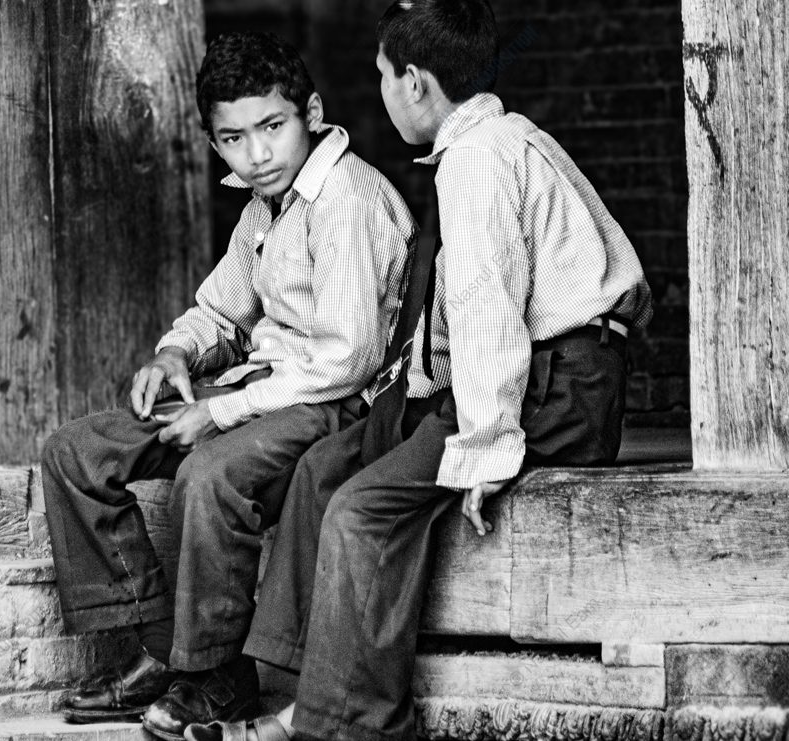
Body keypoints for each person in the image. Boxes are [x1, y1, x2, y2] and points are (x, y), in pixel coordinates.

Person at [184, 2, 654, 741]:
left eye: (380, 77)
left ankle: (342, 720)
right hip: (536, 377)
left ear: (415, 82)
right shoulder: (498, 138)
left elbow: (485, 302)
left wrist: (487, 444)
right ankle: (291, 680)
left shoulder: (478, 160)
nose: (377, 93)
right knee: (325, 465)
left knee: (362, 507)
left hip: (550, 388)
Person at [39, 30, 417, 740]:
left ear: (310, 111)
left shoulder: (349, 201)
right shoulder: (263, 206)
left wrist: (221, 411)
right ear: (215, 144)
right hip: (257, 389)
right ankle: (161, 649)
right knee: (77, 450)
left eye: (272, 128)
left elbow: (347, 359)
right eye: (234, 138)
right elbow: (221, 309)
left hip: (332, 405)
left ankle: (214, 677)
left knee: (210, 474)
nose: (258, 154)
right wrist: (174, 351)